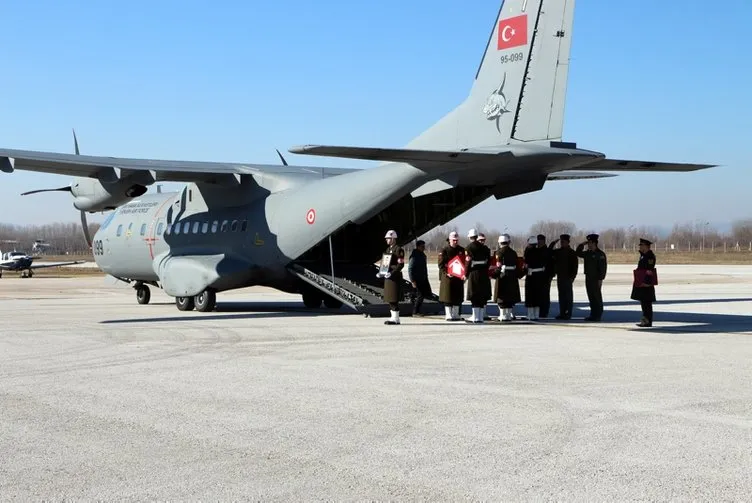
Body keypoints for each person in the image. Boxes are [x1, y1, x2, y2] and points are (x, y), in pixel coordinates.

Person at [575, 233, 607, 321]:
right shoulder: (588, 253)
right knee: (591, 297)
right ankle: (593, 314)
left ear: (594, 243)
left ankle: (598, 315)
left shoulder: (600, 254)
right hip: (588, 278)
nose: (588, 244)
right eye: (588, 243)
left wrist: (600, 279)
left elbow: (603, 268)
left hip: (596, 279)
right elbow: (577, 253)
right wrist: (582, 245)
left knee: (597, 297)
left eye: (589, 243)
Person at [377, 229, 405, 325]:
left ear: (393, 238)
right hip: (388, 276)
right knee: (390, 297)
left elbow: (400, 265)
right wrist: (381, 272)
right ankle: (393, 317)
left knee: (394, 298)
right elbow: (385, 263)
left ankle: (396, 319)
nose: (386, 240)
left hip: (394, 277)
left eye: (388, 238)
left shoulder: (399, 250)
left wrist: (392, 273)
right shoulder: (388, 250)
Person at [464, 228, 492, 323]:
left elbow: (468, 262)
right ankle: (480, 317)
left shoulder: (469, 248)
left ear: (470, 237)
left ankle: (475, 317)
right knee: (481, 295)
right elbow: (489, 262)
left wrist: (465, 274)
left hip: (474, 273)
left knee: (474, 295)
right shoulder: (485, 248)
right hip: (483, 273)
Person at [491, 233, 521, 322]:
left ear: (500, 242)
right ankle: (508, 315)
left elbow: (498, 266)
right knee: (510, 296)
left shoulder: (498, 253)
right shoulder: (513, 252)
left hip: (502, 276)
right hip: (512, 276)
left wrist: (493, 275)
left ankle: (502, 315)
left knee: (502, 296)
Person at [548, 234, 579, 319]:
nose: (562, 243)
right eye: (561, 242)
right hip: (560, 276)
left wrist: (572, 277)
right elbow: (549, 252)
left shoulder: (572, 253)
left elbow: (575, 266)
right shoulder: (558, 252)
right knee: (561, 296)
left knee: (568, 297)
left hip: (568, 277)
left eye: (564, 242)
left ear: (568, 242)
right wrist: (553, 243)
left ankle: (568, 313)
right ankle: (562, 313)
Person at [438, 231, 466, 321]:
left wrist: (464, 274)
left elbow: (465, 263)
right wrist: (446, 273)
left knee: (457, 296)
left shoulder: (462, 250)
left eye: (456, 240)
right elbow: (441, 265)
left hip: (458, 276)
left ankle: (456, 314)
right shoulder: (444, 250)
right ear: (449, 240)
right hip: (448, 277)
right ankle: (448, 314)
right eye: (453, 240)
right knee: (448, 296)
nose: (455, 242)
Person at [631, 238, 657, 327]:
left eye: (641, 245)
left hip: (646, 284)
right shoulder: (643, 255)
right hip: (642, 283)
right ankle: (645, 320)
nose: (640, 247)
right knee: (644, 302)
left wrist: (646, 283)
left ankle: (647, 321)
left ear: (646, 246)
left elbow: (649, 271)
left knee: (647, 303)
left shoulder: (649, 256)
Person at [523, 236, 547, 320]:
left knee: (530, 295)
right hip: (540, 275)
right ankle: (536, 314)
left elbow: (526, 262)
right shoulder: (540, 251)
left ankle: (530, 315)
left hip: (531, 275)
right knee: (538, 295)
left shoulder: (528, 251)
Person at [408, 240, 432, 317]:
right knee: (420, 295)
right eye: (422, 246)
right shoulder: (414, 256)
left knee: (426, 293)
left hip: (423, 278)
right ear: (418, 246)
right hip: (417, 279)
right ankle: (415, 311)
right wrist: (412, 280)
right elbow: (410, 269)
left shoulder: (422, 254)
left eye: (424, 246)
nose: (424, 248)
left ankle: (413, 299)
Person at [537, 234, 553, 318]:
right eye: (538, 241)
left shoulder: (548, 251)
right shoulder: (536, 251)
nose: (538, 243)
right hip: (537, 276)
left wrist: (551, 276)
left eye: (540, 241)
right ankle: (539, 311)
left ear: (543, 241)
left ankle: (544, 312)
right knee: (538, 295)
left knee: (545, 295)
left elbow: (551, 265)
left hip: (546, 276)